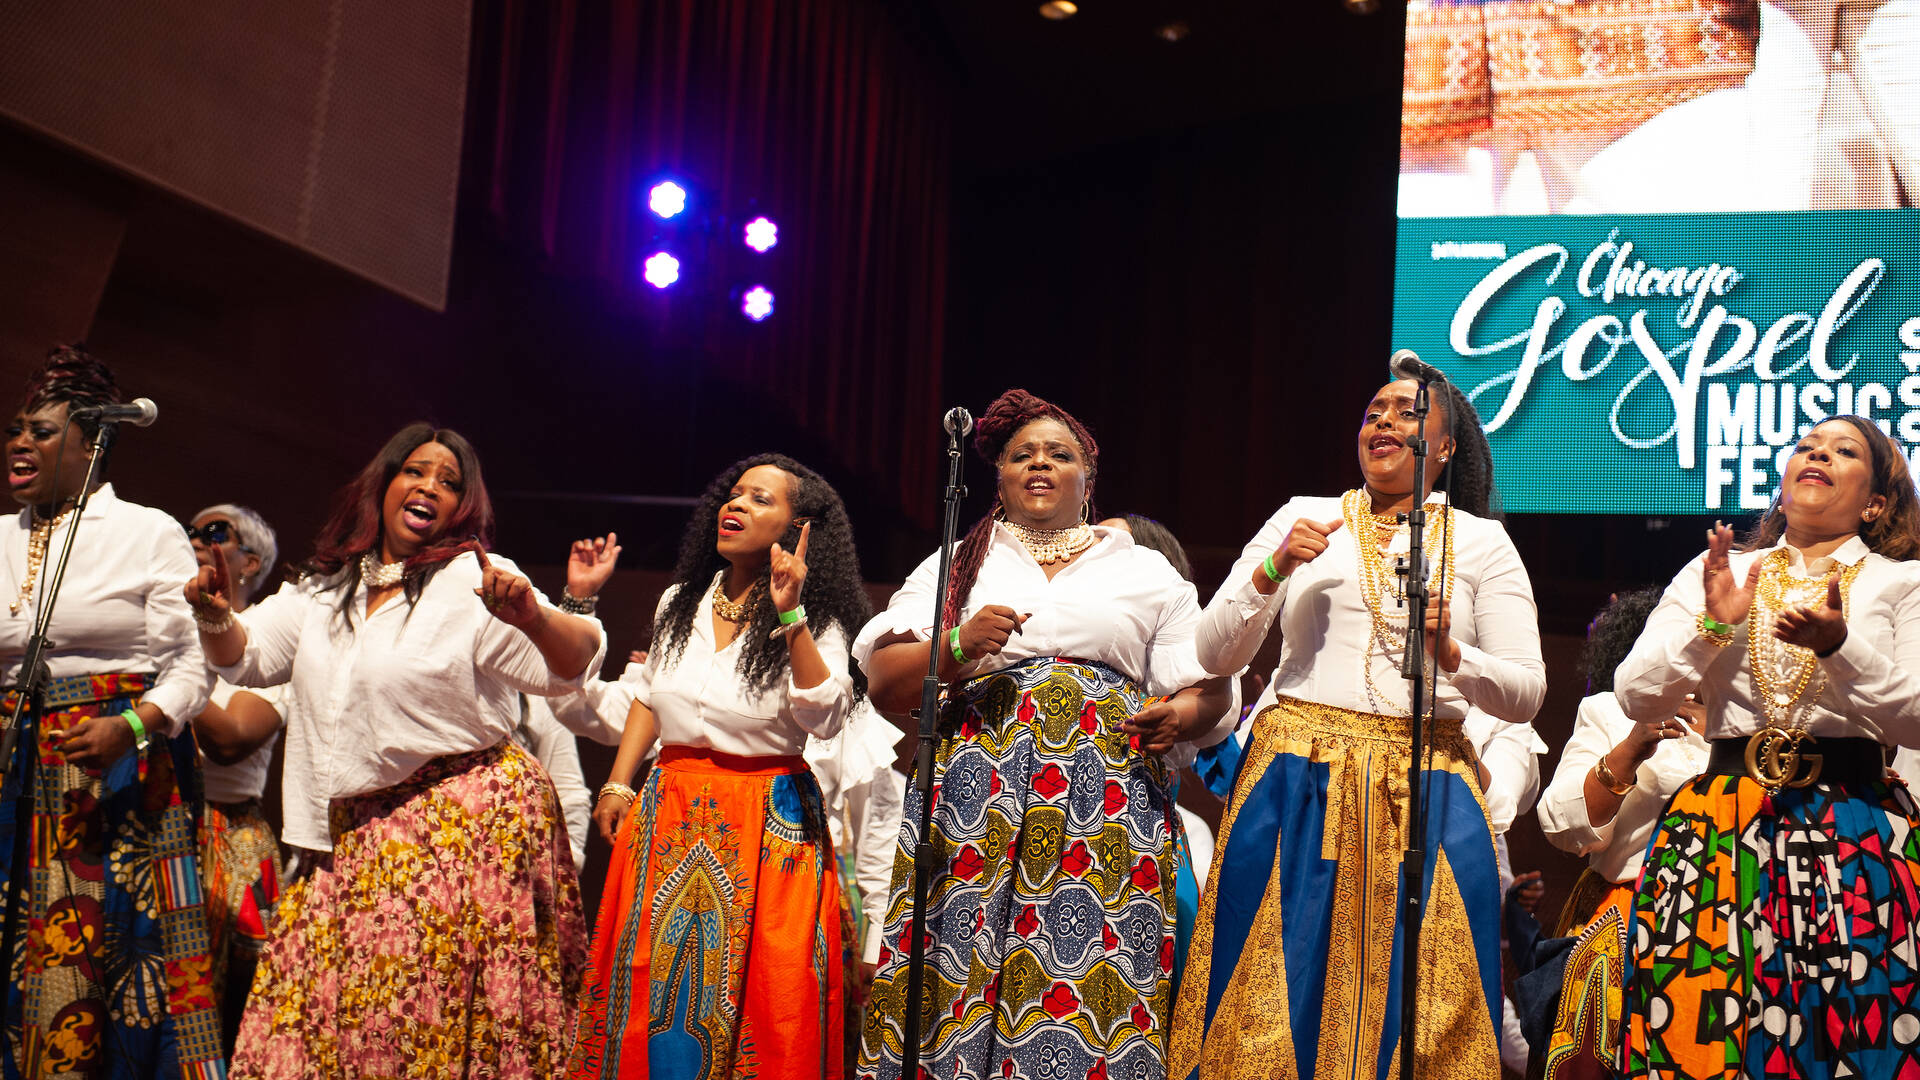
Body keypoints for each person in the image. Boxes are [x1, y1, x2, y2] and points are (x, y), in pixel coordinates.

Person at [192, 422, 605, 1079]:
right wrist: (215, 615)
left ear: (463, 507)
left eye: (449, 482)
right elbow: (247, 658)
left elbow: (570, 666)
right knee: (298, 1037)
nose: (429, 487)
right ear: (383, 485)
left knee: (407, 1037)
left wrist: (533, 616)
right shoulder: (325, 592)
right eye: (416, 471)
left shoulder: (475, 584)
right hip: (344, 843)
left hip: (457, 836)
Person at [1170, 377, 1546, 1078]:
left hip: (1428, 783)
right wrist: (1273, 568)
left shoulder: (1481, 542)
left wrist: (1453, 657)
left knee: (1431, 1003)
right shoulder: (1303, 517)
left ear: (1446, 445)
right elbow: (1212, 652)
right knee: (1268, 999)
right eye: (1373, 411)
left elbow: (1527, 691)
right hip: (1296, 777)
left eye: (1408, 412)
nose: (1384, 421)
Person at [855, 390, 1232, 1080]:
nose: (1039, 464)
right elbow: (884, 679)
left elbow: (1208, 685)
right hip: (977, 796)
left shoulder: (1143, 570)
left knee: (1086, 967)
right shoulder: (956, 563)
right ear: (996, 475)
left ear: (1087, 479)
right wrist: (958, 643)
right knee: (961, 969)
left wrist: (1177, 717)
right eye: (1021, 454)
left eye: (1060, 455)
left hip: (1104, 800)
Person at [1612, 415, 1920, 1077]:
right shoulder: (1717, 571)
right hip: (1720, 826)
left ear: (1875, 501)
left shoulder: (1902, 582)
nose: (1817, 454)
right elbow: (1636, 696)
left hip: (1854, 823)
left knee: (1848, 1027)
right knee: (1703, 1029)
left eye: (1843, 451)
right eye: (1807, 446)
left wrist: (1840, 648)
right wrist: (1709, 629)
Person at [566, 453, 871, 1080]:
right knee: (655, 979)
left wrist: (790, 613)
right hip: (671, 803)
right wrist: (620, 782)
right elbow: (650, 696)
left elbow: (825, 714)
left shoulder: (817, 615)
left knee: (770, 985)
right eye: (733, 495)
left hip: (770, 813)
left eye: (760, 499)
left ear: (797, 527)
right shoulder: (680, 600)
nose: (736, 506)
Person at [0, 347, 220, 1079]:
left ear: (90, 444)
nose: (19, 443)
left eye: (40, 431)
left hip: (109, 777)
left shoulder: (145, 531)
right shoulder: (1, 536)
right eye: (16, 430)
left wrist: (129, 728)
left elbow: (193, 667)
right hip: (11, 770)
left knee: (94, 978)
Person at [1520, 587, 1709, 1075]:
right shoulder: (1610, 711)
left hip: (1737, 917)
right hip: (1630, 918)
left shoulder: (1765, 725)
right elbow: (1562, 826)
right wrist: (1630, 748)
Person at [181, 504, 290, 1055]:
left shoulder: (272, 653)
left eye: (216, 533)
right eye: (192, 531)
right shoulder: (166, 632)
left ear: (249, 562)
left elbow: (230, 741)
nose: (198, 539)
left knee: (213, 1016)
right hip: (152, 826)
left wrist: (169, 669)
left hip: (226, 840)